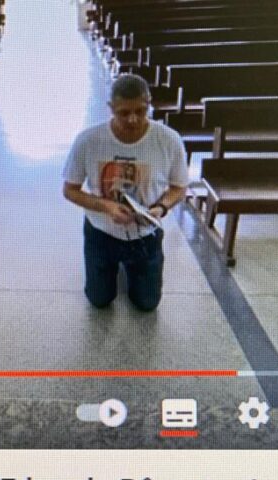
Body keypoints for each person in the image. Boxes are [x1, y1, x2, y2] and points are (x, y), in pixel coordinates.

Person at [62, 74, 188, 312]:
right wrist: (107, 206)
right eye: (124, 113)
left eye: (141, 111)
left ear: (149, 104)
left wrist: (160, 208)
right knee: (99, 300)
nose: (133, 119)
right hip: (102, 231)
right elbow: (70, 190)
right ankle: (111, 268)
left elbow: (179, 187)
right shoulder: (89, 140)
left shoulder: (169, 140)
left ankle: (131, 269)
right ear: (110, 108)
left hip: (145, 233)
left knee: (147, 304)